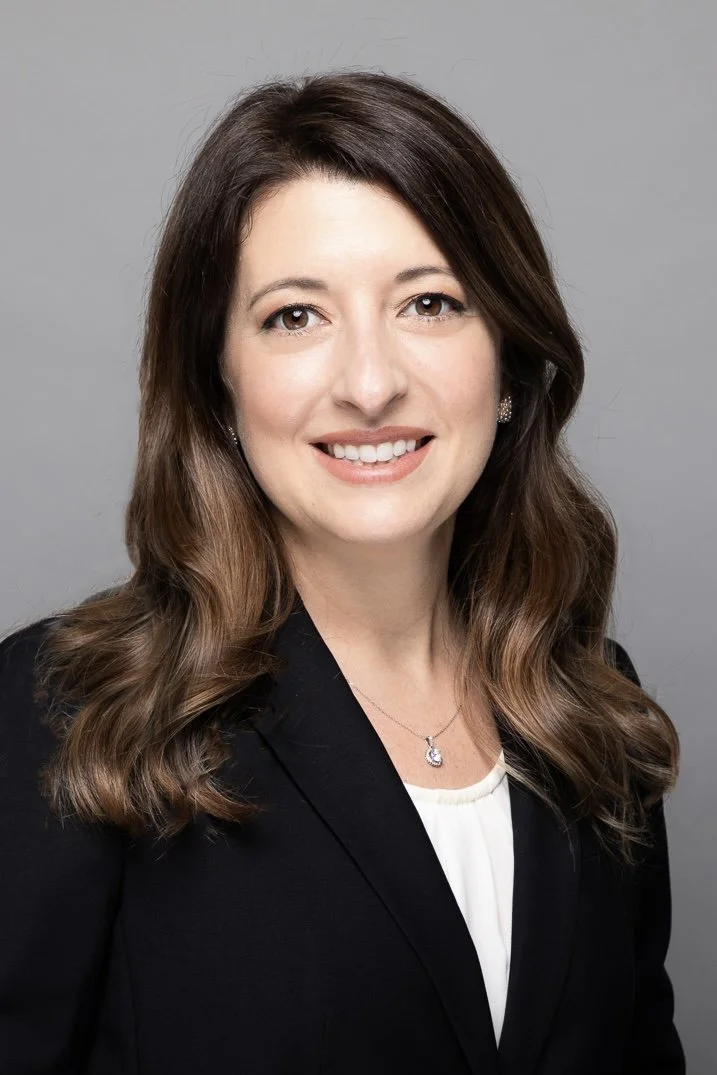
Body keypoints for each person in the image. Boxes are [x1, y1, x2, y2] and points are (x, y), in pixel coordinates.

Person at [0, 70, 685, 1074]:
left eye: (430, 302)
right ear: (220, 387)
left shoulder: (593, 716)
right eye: (294, 317)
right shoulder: (70, 713)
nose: (370, 382)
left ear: (508, 364)